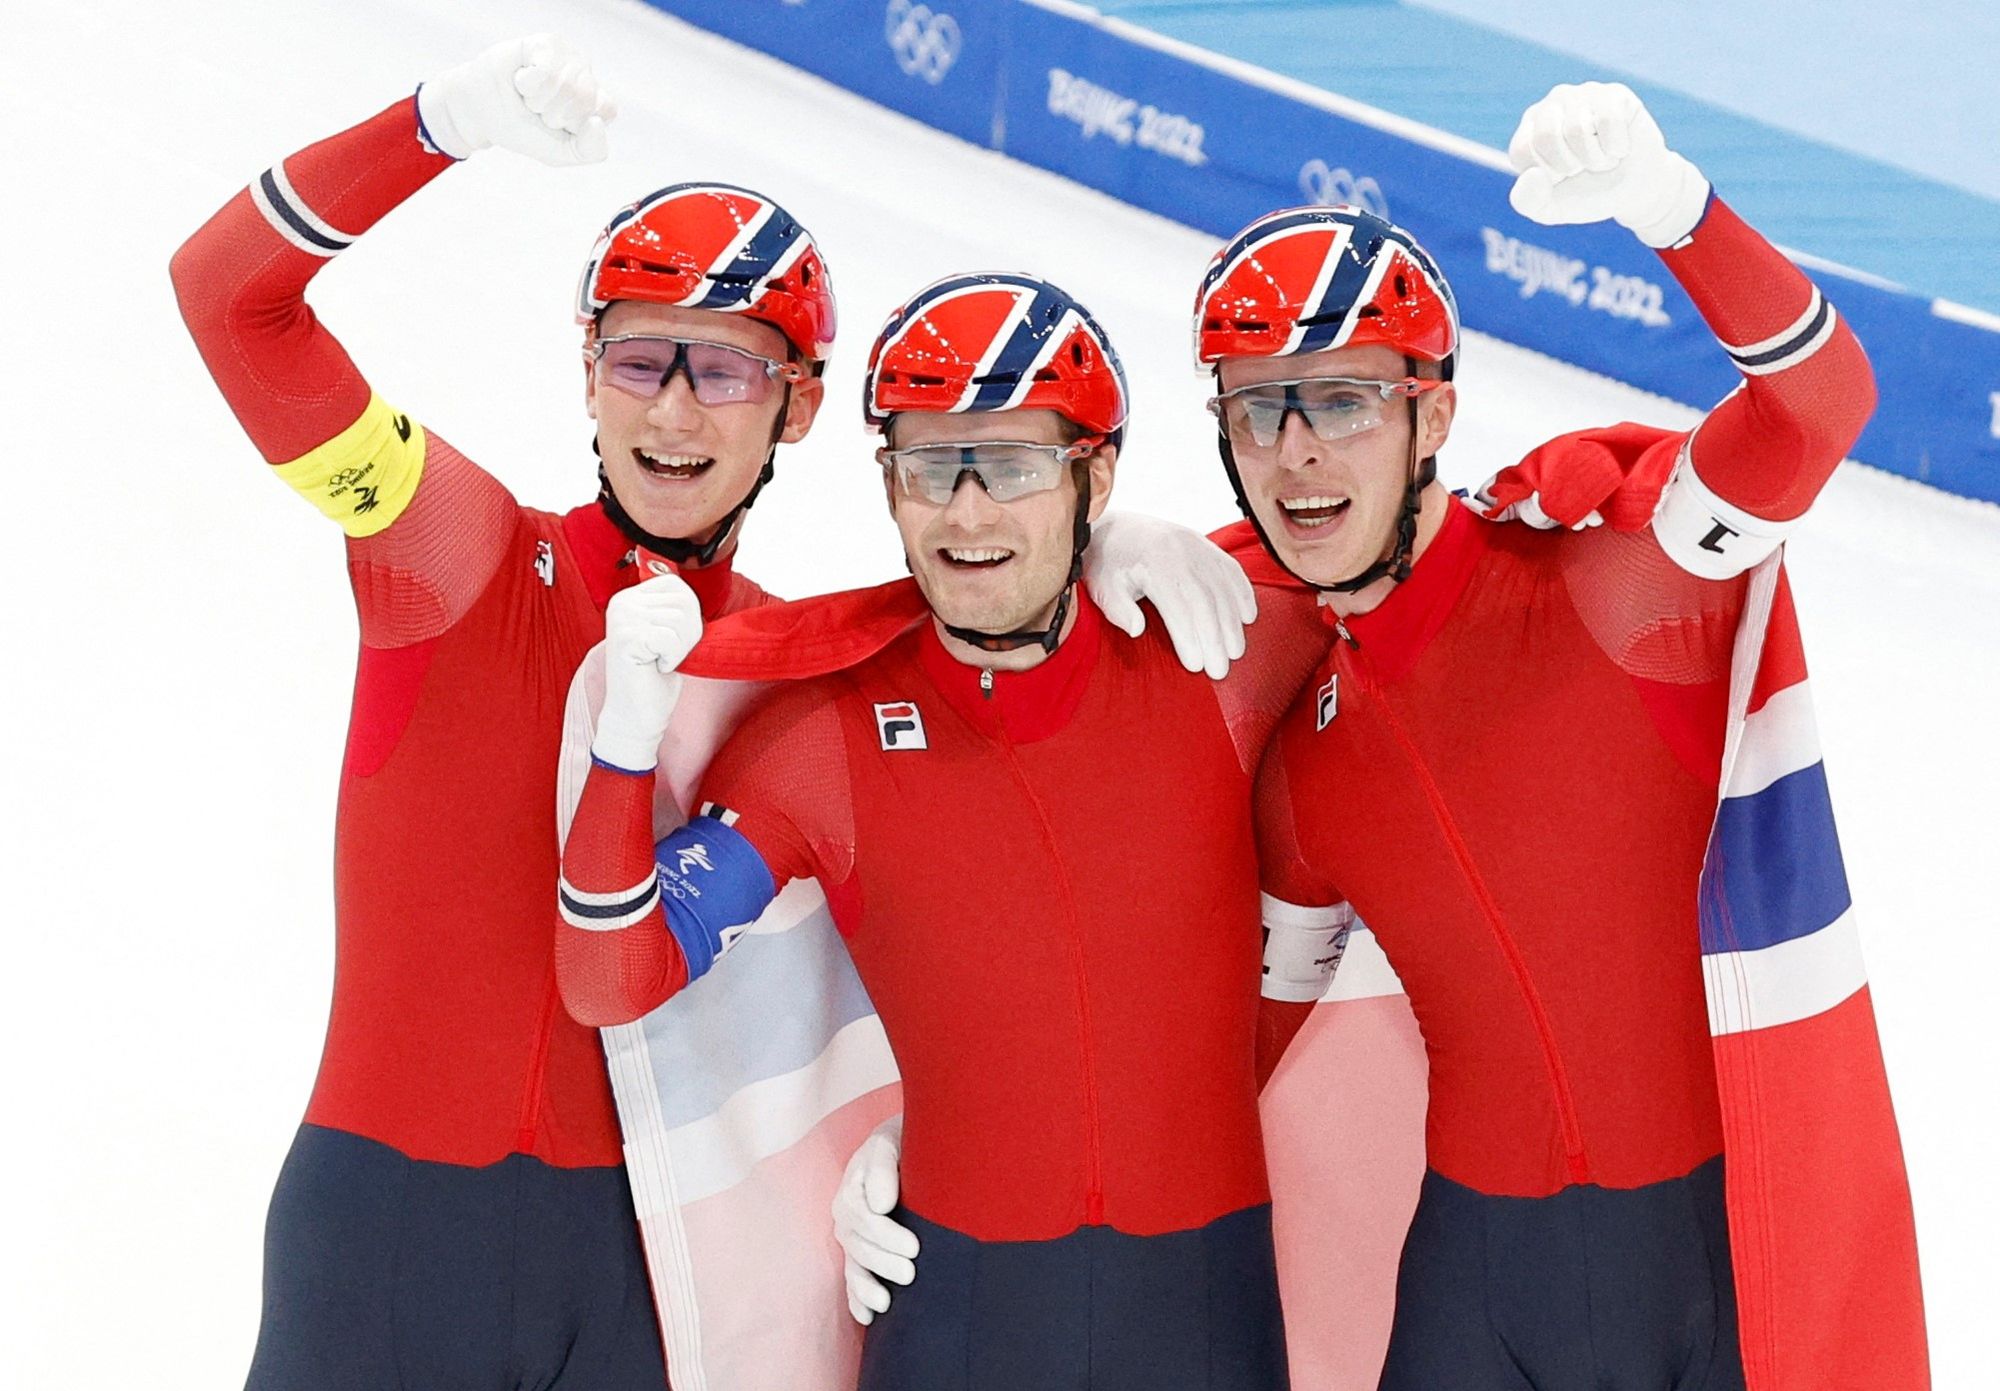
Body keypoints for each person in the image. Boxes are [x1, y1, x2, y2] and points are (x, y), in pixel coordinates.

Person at [171, 33, 1243, 1386]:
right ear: (586, 374)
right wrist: (438, 121)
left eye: (724, 371)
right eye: (639, 362)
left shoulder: (795, 664)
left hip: (646, 1279)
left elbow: (979, 928)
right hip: (396, 1232)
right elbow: (229, 299)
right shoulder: (458, 555)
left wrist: (1088, 549)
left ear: (795, 406)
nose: (675, 411)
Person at [834, 82, 1930, 1391]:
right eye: (1258, 407)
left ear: (1437, 409)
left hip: (1701, 1272)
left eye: (1344, 398)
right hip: (1469, 1289)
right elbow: (1221, 1038)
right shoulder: (1312, 765)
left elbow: (1819, 407)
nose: (1298, 451)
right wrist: (962, 1129)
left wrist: (1672, 208)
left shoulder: (1619, 586)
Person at [556, 272, 1337, 1391]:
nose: (966, 514)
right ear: (888, 485)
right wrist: (625, 750)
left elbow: (1397, 571)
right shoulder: (816, 735)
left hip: (1207, 1317)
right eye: (929, 467)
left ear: (1095, 474)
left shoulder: (1223, 661)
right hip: (960, 1315)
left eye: (1013, 467)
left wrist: (1200, 545)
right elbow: (611, 975)